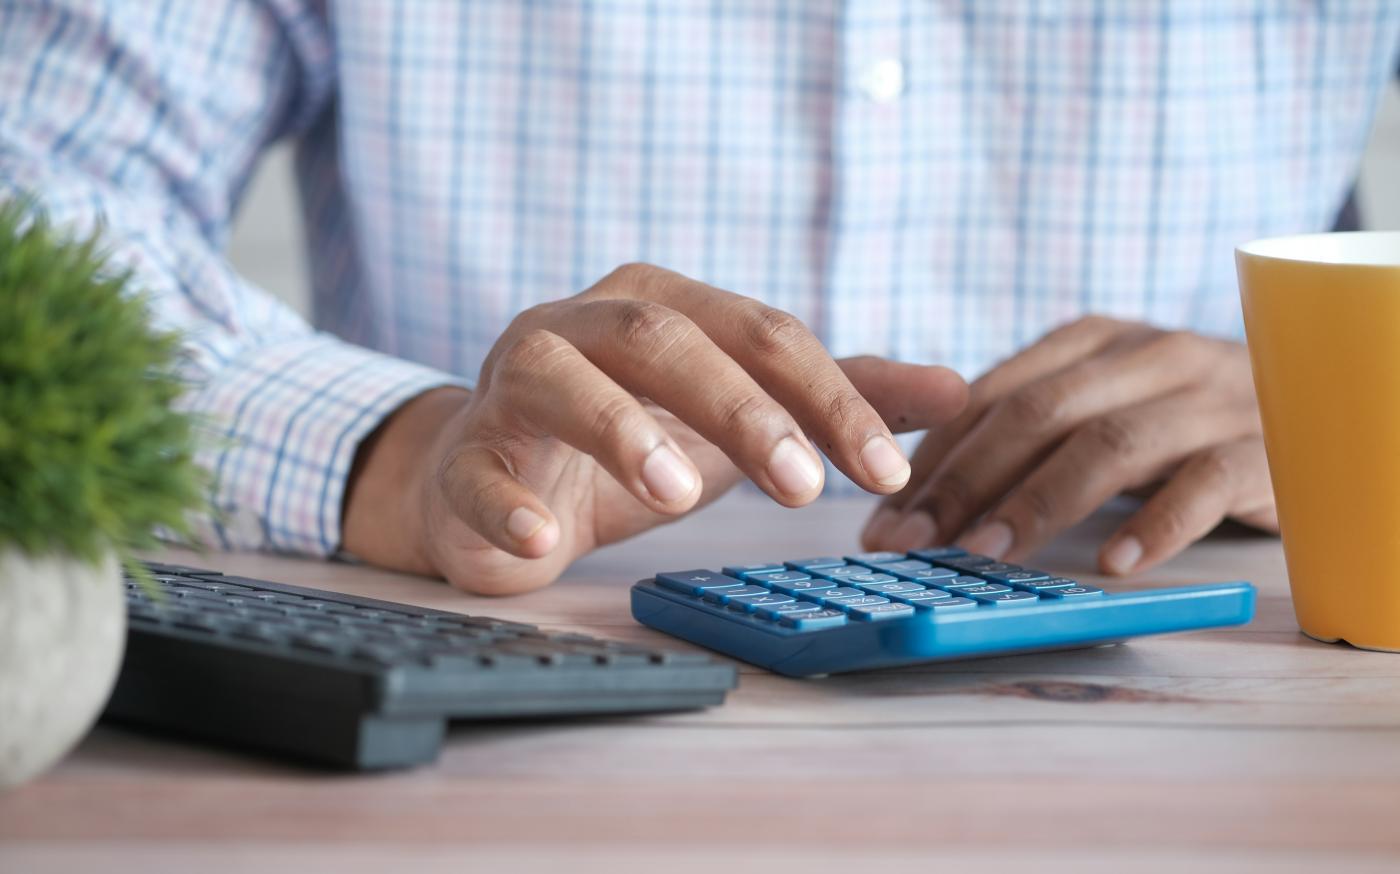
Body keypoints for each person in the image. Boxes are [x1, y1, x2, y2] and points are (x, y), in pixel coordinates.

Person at [3, 2, 1396, 595]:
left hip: (1226, 721)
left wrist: (1357, 399)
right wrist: (391, 451)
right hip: (494, 709)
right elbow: (33, 200)